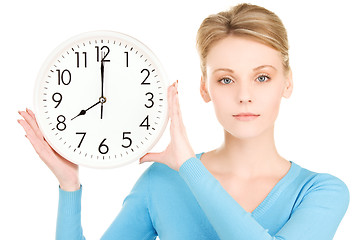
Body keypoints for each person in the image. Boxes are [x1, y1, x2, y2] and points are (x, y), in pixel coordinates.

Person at [18, 3, 349, 240]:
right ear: (205, 88)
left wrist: (190, 167)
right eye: (226, 80)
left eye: (262, 77)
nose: (244, 95)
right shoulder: (161, 181)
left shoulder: (321, 192)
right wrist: (69, 186)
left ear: (287, 82)